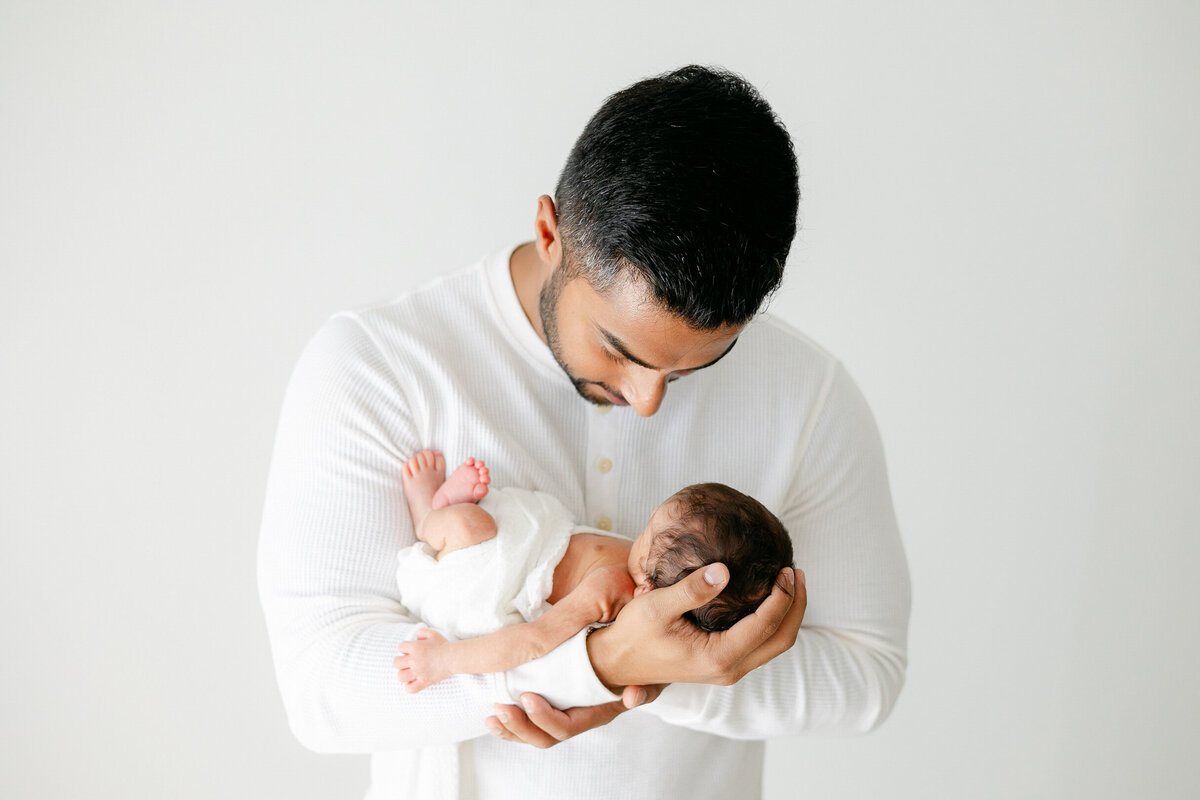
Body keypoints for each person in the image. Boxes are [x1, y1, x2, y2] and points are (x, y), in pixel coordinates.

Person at [259, 64, 911, 800]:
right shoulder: (378, 363)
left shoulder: (809, 395)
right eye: (619, 351)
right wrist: (588, 664)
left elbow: (865, 677)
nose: (647, 403)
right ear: (550, 233)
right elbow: (320, 691)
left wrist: (662, 668)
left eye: (699, 364)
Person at [391, 449, 795, 695]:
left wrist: (443, 660)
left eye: (651, 529)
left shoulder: (612, 588)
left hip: (493, 581)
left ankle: (428, 514)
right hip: (536, 541)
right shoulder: (652, 569)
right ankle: (447, 516)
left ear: (652, 585)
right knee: (482, 521)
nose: (648, 518)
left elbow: (532, 641)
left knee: (468, 527)